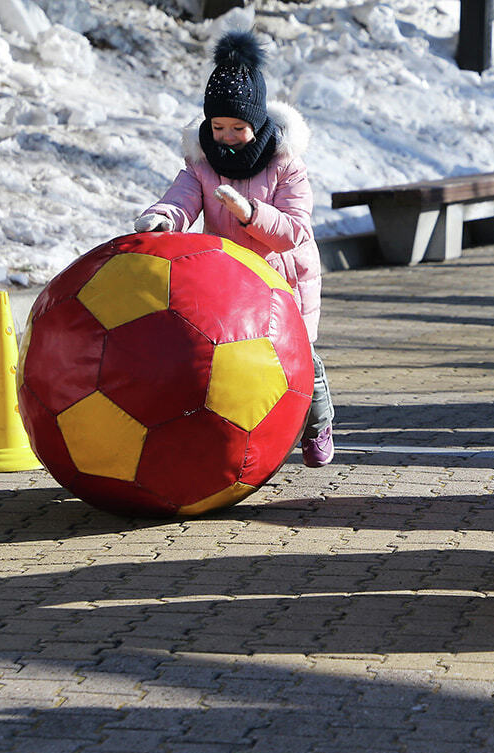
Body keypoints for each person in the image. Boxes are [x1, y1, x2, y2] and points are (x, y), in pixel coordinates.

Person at [135, 31, 336, 467]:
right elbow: (181, 199)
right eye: (218, 127)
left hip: (284, 284)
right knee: (230, 365)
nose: (225, 137)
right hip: (230, 286)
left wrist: (250, 213)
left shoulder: (286, 166)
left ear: (258, 124)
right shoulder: (202, 165)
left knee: (301, 364)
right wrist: (162, 218)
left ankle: (319, 424)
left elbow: (294, 232)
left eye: (237, 129)